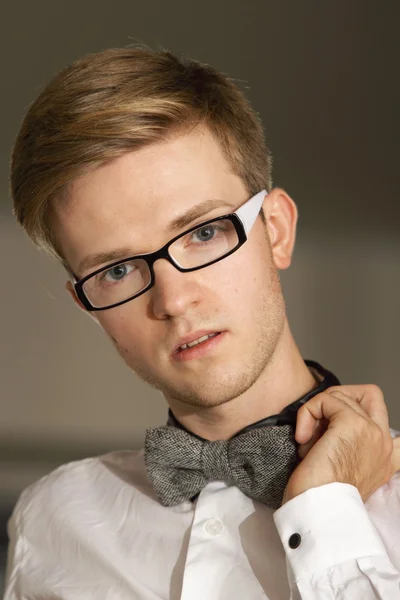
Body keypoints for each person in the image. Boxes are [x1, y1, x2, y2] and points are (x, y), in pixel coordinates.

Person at [4, 47, 400, 600]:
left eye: (204, 233)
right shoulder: (54, 523)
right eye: (117, 270)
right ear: (89, 307)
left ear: (276, 230)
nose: (173, 298)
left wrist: (327, 513)